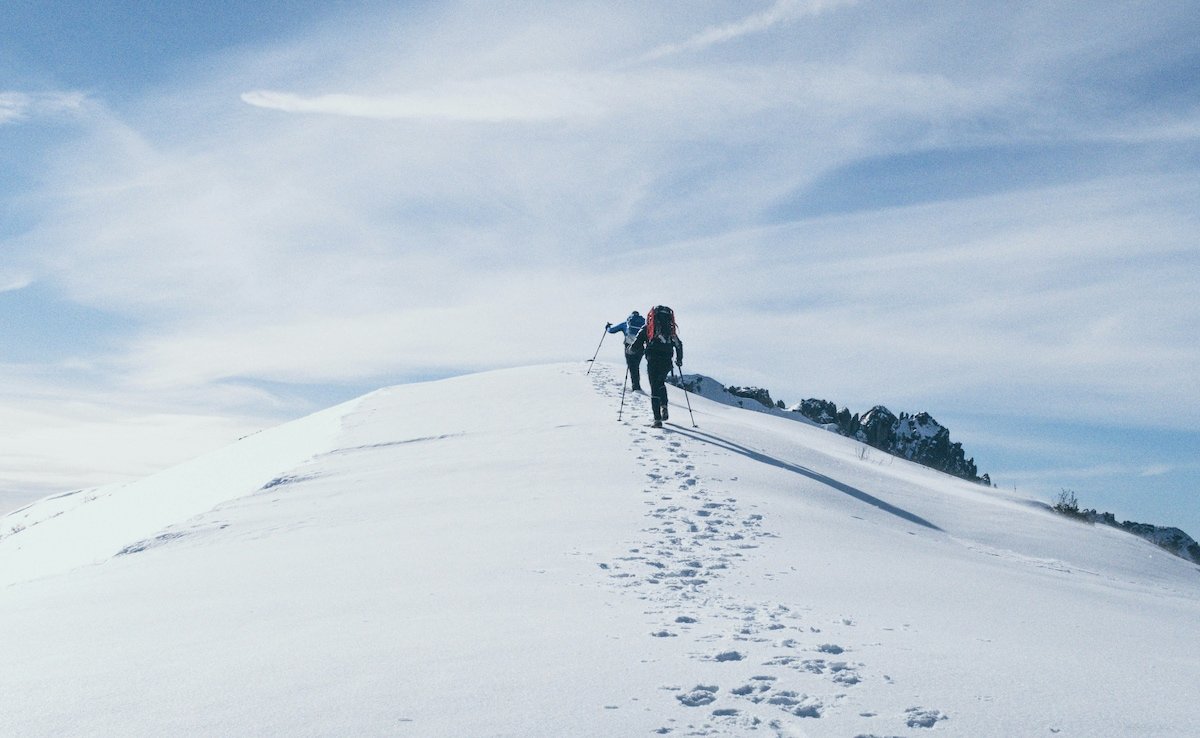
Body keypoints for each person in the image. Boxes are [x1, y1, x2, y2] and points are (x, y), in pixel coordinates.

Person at [629, 305, 683, 428]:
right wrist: (679, 360)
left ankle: (657, 420)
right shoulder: (670, 330)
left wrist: (630, 350)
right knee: (660, 383)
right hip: (667, 361)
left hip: (653, 360)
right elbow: (679, 345)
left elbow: (636, 345)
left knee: (654, 387)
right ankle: (664, 406)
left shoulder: (648, 328)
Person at [606, 310, 647, 391]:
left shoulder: (626, 323)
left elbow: (611, 330)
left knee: (632, 366)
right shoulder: (643, 324)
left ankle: (636, 387)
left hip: (629, 346)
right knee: (636, 366)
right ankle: (636, 385)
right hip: (640, 347)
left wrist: (607, 327)